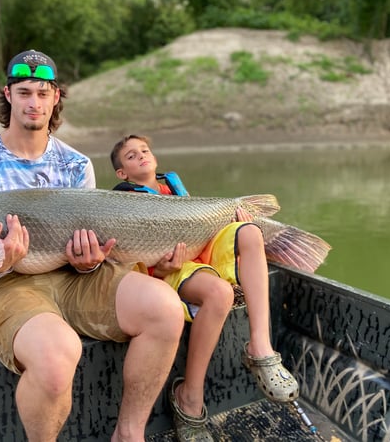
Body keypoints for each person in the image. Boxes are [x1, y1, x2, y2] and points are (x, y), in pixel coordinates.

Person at [0, 51, 185, 442]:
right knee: (58, 359)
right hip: (5, 284)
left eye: (43, 93)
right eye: (24, 92)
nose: (33, 102)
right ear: (8, 95)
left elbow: (89, 246)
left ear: (56, 98)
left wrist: (91, 262)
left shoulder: (77, 165)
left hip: (73, 276)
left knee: (165, 308)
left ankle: (129, 434)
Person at [110, 134, 300, 442]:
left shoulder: (172, 184)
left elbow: (200, 223)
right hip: (165, 266)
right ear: (122, 173)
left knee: (250, 230)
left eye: (145, 150)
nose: (141, 156)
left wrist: (234, 222)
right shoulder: (123, 198)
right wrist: (162, 267)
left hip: (198, 251)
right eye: (131, 156)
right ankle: (190, 397)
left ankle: (261, 348)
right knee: (220, 293)